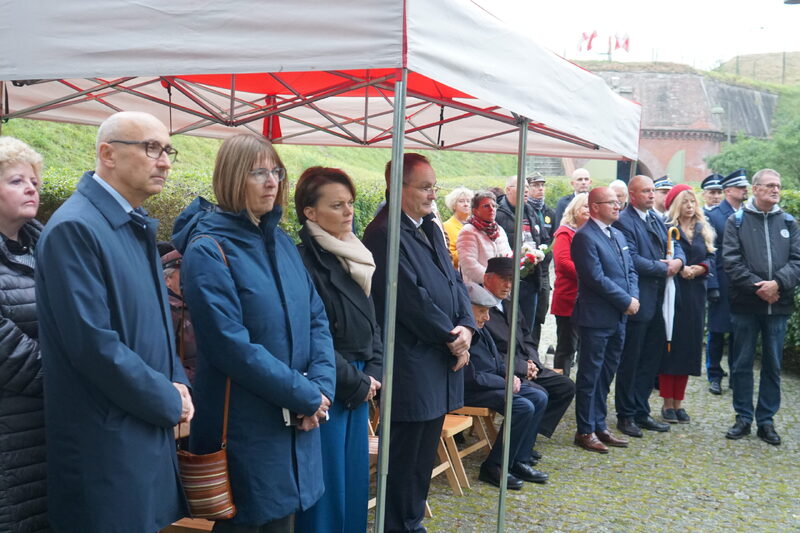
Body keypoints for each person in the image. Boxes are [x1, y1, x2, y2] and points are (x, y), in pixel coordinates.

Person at [35, 111, 193, 532]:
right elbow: (93, 346)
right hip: (105, 444)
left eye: (167, 150)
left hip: (139, 437)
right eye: (151, 148)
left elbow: (158, 325)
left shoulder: (128, 223)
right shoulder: (76, 228)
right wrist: (167, 398)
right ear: (107, 154)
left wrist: (178, 384)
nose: (165, 162)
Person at [173, 134, 336, 531]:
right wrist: (304, 395)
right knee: (248, 521)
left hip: (297, 420)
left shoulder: (279, 239)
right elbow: (230, 345)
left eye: (275, 171)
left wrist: (322, 387)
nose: (271, 182)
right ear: (231, 178)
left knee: (283, 520)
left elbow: (316, 317)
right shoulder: (208, 248)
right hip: (247, 427)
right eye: (258, 172)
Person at [363, 153, 474, 533]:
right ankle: (398, 525)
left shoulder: (427, 226)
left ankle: (411, 522)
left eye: (434, 187)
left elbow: (454, 282)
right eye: (425, 187)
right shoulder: (383, 233)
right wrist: (451, 338)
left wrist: (467, 327)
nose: (432, 195)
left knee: (423, 456)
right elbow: (409, 300)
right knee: (405, 458)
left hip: (437, 361)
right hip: (409, 366)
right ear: (398, 187)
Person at [293, 166, 382, 533]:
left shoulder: (354, 254)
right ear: (310, 212)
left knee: (352, 485)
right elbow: (313, 335)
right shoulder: (302, 260)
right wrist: (357, 382)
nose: (348, 212)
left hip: (360, 380)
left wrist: (375, 372)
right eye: (337, 205)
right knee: (327, 488)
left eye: (350, 203)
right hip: (330, 385)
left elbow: (373, 321)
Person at [723, 169, 800, 446]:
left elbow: (797, 261)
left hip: (779, 305)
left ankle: (766, 421)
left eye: (778, 186)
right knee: (742, 362)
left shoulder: (789, 222)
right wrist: (760, 287)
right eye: (769, 185)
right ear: (755, 189)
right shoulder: (737, 221)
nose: (775, 190)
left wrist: (777, 284)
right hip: (746, 305)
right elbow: (731, 262)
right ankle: (743, 417)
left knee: (773, 364)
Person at [0, 137, 48, 533]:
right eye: (17, 181)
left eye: (33, 180)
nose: (31, 187)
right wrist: (75, 369)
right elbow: (10, 355)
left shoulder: (46, 247)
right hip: (9, 437)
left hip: (49, 426)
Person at [613, 175, 685, 438]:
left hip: (661, 301)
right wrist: (663, 269)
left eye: (653, 191)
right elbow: (631, 259)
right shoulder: (624, 221)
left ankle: (642, 410)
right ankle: (626, 414)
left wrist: (678, 262)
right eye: (645, 191)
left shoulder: (656, 217)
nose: (651, 195)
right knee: (631, 360)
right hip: (639, 299)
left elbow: (675, 244)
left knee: (651, 360)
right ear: (632, 195)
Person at [482, 257, 576, 456]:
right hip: (504, 371)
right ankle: (522, 444)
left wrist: (534, 363)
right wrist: (523, 368)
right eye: (504, 279)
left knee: (565, 386)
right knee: (538, 394)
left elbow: (527, 337)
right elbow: (491, 355)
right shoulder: (481, 308)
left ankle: (528, 437)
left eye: (512, 280)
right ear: (487, 279)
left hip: (525, 365)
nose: (508, 285)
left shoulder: (509, 305)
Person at [571, 187, 639, 453]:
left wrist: (633, 297)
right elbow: (595, 278)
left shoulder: (618, 233)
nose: (617, 206)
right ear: (595, 206)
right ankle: (585, 429)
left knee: (606, 373)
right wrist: (625, 300)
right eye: (611, 202)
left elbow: (630, 270)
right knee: (590, 374)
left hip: (619, 317)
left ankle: (600, 424)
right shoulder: (584, 237)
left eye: (618, 202)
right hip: (596, 317)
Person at [462, 282, 549, 490]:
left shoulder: (480, 328)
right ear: (466, 308)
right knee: (522, 406)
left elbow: (496, 361)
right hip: (469, 391)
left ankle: (519, 458)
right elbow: (471, 377)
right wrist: (505, 381)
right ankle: (494, 466)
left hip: (490, 384)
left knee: (539, 397)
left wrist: (509, 375)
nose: (487, 317)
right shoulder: (463, 332)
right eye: (481, 311)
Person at [658, 185, 715, 424]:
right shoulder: (668, 229)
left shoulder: (703, 229)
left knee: (689, 349)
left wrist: (700, 268)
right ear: (675, 205)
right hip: (674, 291)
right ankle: (666, 402)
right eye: (685, 202)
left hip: (695, 293)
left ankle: (679, 402)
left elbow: (712, 257)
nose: (690, 206)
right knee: (670, 346)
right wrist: (681, 267)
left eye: (693, 201)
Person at [705, 169, 748, 395]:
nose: (745, 190)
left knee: (739, 331)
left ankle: (735, 373)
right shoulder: (713, 216)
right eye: (741, 187)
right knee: (717, 330)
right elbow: (710, 252)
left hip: (743, 283)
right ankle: (714, 374)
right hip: (722, 281)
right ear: (728, 190)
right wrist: (711, 284)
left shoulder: (749, 213)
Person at [550, 193, 590, 376]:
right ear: (575, 210)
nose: (589, 211)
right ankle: (561, 384)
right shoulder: (565, 233)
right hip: (569, 299)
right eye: (585, 207)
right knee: (566, 347)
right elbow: (564, 263)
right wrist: (591, 273)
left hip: (587, 299)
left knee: (585, 346)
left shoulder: (592, 232)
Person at [495, 177, 540, 330]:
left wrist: (540, 256)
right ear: (508, 190)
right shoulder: (498, 213)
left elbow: (544, 239)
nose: (526, 190)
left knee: (528, 328)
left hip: (531, 279)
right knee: (507, 328)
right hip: (508, 281)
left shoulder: (531, 211)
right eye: (521, 186)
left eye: (527, 187)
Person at [457, 190, 512, 285]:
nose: (492, 209)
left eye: (494, 206)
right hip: (477, 290)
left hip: (501, 288)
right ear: (475, 211)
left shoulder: (499, 230)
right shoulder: (468, 231)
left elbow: (507, 256)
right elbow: (469, 265)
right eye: (486, 206)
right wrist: (492, 281)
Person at [526, 173, 556, 348]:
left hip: (544, 271)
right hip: (528, 270)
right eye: (536, 185)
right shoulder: (525, 210)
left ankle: (534, 353)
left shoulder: (550, 212)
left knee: (540, 314)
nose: (540, 189)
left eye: (542, 185)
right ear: (528, 188)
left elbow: (554, 239)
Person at [161, 245, 197, 384]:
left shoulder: (198, 304)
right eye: (183, 272)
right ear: (167, 280)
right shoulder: (166, 312)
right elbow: (163, 362)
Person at [442, 186, 473, 268]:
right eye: (461, 201)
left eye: (468, 201)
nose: (466, 204)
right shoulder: (447, 226)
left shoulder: (476, 224)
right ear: (454, 205)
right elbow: (450, 256)